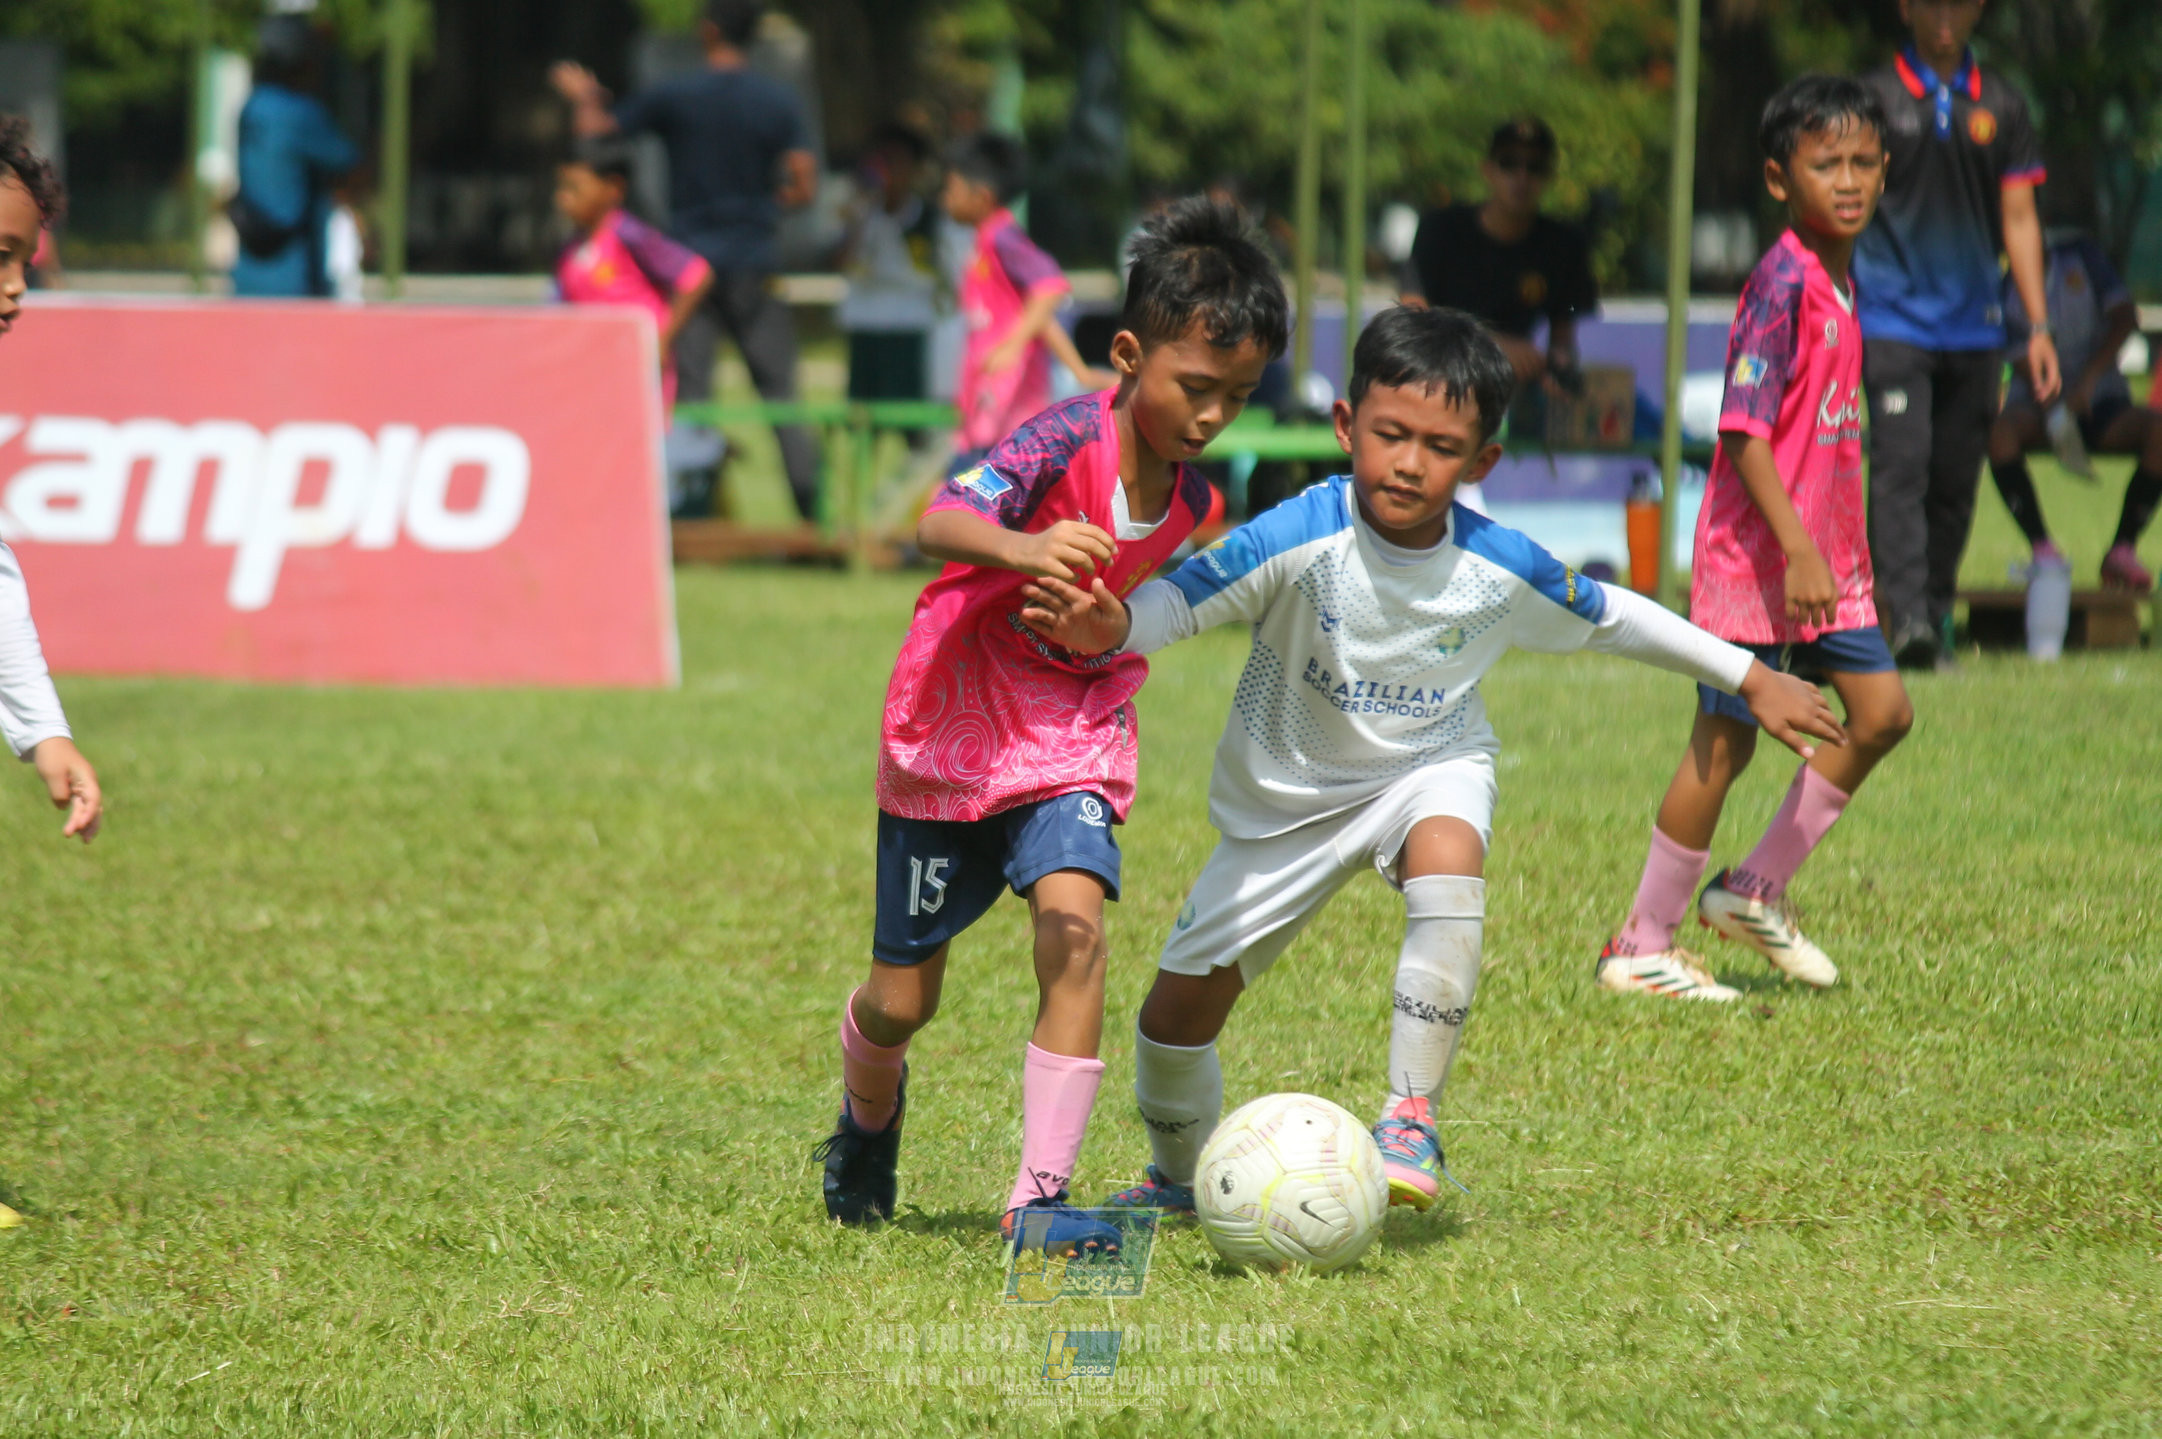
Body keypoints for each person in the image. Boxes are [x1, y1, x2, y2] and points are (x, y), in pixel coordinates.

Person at [1018, 306, 1842, 1216]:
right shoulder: (1301, 533)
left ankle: (1410, 1115)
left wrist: (1749, 674)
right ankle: (1177, 1181)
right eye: (1390, 435)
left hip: (1427, 766)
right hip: (1283, 805)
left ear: (1483, 461)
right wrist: (1114, 625)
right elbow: (1185, 601)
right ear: (1346, 427)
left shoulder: (1497, 565)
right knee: (1170, 1026)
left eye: (1441, 446)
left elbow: (1615, 614)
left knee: (1449, 852)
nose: (1409, 462)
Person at [813, 198, 1289, 1253]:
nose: (1211, 415)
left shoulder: (1190, 504)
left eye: (1238, 396)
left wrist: (1098, 624)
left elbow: (1119, 613)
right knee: (901, 999)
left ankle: (1037, 1202)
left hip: (1066, 724)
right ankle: (865, 1116)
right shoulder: (1062, 434)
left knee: (1073, 925)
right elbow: (937, 517)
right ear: (1127, 353)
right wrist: (1024, 549)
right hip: (952, 724)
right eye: (1194, 387)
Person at [1601, 77, 1912, 1004]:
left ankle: (1750, 888)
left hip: (1825, 569)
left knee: (1884, 712)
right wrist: (1801, 549)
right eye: (1827, 165)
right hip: (1761, 562)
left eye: (1863, 163)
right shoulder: (1781, 281)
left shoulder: (1843, 277)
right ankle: (1642, 942)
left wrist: (1842, 556)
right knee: (1724, 744)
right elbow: (1742, 431)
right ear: (1781, 179)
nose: (1848, 181)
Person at [551, 0, 823, 521]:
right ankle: (813, 516)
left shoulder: (677, 95)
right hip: (753, 261)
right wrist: (767, 206)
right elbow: (803, 182)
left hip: (689, 267)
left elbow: (599, 140)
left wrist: (585, 99)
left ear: (707, 31)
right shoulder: (777, 101)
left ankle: (690, 518)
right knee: (781, 394)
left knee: (693, 399)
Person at [1856, 0, 2059, 668]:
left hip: (1977, 329)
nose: (1945, 13)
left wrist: (2037, 325)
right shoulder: (1874, 99)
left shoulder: (2002, 103)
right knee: (1900, 470)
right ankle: (1907, 618)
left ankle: (1933, 614)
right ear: (1905, 7)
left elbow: (2021, 217)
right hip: (1891, 319)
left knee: (1953, 479)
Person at [1986, 233, 2159, 594]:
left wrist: (2088, 383)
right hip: (2036, 402)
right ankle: (2043, 551)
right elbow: (2010, 347)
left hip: (2101, 400)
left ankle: (2122, 550)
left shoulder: (2083, 260)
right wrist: (2053, 404)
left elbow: (2125, 316)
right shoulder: (2002, 279)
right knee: (1999, 434)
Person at [941, 133, 1114, 473]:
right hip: (987, 409)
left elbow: (1049, 289)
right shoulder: (984, 242)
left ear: (982, 196)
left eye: (951, 188)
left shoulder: (1003, 238)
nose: (944, 198)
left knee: (959, 505)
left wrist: (1010, 346)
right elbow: (1039, 317)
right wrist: (1078, 368)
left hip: (1008, 413)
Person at [1399, 118, 1596, 389]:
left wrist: (1558, 369)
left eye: (1535, 167)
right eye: (1509, 163)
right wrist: (1489, 347)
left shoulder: (1563, 244)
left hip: (1516, 391)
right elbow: (1412, 322)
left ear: (1549, 177)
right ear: (1488, 170)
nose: (1522, 177)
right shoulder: (1442, 229)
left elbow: (1564, 336)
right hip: (1440, 380)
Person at [552, 137, 715, 412]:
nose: (562, 198)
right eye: (561, 187)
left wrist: (662, 339)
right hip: (589, 370)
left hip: (635, 368)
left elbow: (696, 274)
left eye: (575, 188)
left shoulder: (630, 235)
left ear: (613, 188)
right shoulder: (570, 249)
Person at [230, 16, 359, 299]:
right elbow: (349, 162)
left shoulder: (252, 107)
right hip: (293, 277)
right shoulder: (300, 113)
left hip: (249, 273)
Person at [836, 122, 942, 403]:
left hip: (910, 324)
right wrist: (858, 215)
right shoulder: (861, 213)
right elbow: (840, 260)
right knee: (863, 411)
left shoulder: (928, 218)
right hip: (866, 322)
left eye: (897, 163)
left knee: (910, 409)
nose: (889, 172)